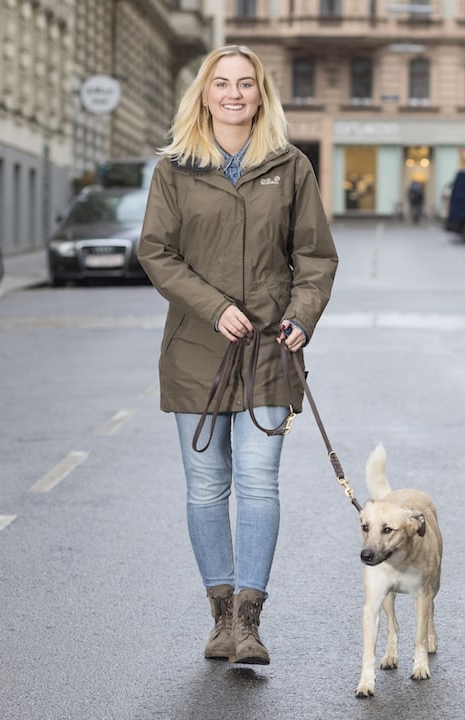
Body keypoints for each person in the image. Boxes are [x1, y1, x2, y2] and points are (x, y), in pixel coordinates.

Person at [137, 45, 338, 666]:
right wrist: (211, 305)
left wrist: (302, 318)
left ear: (261, 94)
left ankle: (249, 622)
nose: (232, 93)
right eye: (221, 83)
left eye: (244, 84)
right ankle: (220, 617)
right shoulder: (175, 168)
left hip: (271, 349)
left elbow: (316, 257)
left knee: (257, 484)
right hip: (197, 349)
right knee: (205, 487)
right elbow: (156, 252)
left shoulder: (290, 165)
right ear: (204, 93)